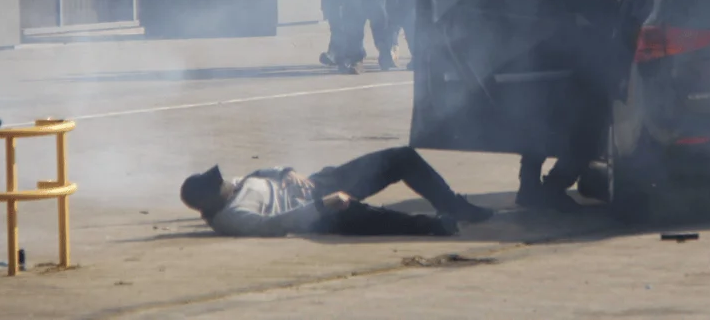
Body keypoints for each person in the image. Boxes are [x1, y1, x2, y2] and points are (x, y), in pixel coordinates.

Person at [179, 147, 494, 238]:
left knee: (401, 158)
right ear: (208, 200)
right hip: (314, 213)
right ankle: (433, 225)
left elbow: (256, 173)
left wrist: (287, 171)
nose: (224, 181)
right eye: (216, 183)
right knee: (367, 217)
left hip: (316, 183)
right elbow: (274, 225)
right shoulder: (233, 218)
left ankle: (454, 205)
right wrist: (322, 206)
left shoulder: (230, 189)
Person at [515, 0, 610, 212]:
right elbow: (596, 13)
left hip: (530, 70)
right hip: (561, 72)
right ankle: (553, 188)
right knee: (586, 137)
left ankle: (530, 188)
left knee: (537, 133)